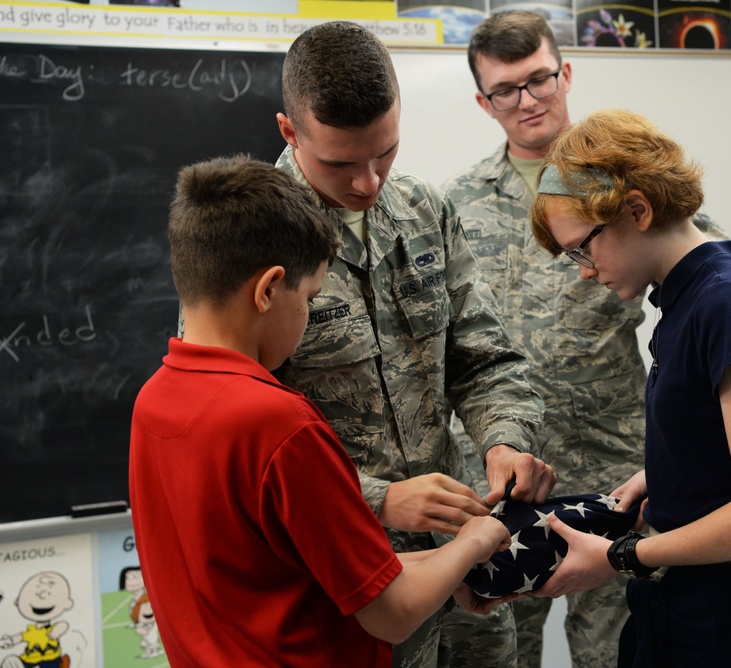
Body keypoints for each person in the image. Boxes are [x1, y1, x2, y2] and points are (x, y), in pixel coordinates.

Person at [129, 154, 513, 667]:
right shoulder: (280, 424)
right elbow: (391, 611)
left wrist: (446, 568)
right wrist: (474, 542)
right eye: (310, 297)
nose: (308, 314)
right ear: (268, 290)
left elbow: (317, 572)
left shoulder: (154, 402)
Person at [441, 11, 730, 666]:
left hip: (614, 473)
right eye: (506, 90)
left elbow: (700, 273)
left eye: (539, 78)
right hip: (504, 483)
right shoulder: (453, 204)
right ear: (485, 104)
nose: (528, 100)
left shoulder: (621, 182)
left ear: (565, 73)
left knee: (616, 653)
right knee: (499, 651)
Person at [271, 21, 557, 668]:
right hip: (351, 579)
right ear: (290, 131)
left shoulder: (425, 210)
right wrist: (377, 499)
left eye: (386, 153)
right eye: (341, 162)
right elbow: (237, 443)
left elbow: (484, 360)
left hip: (459, 549)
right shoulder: (253, 238)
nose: (369, 182)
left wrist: (504, 437)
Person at [529, 108, 731, 667]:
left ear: (638, 210)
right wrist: (662, 475)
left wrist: (622, 557)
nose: (583, 269)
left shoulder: (726, 303)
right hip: (700, 607)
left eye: (583, 248)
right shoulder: (685, 302)